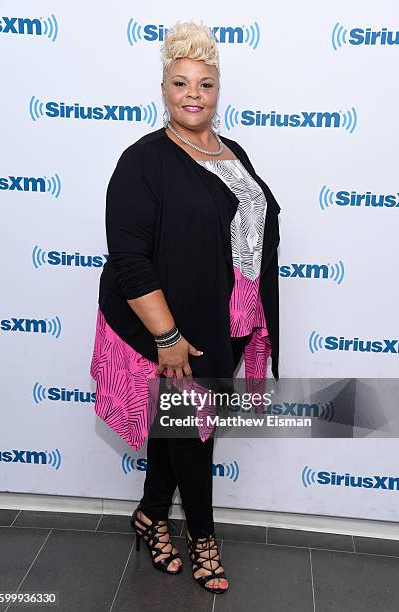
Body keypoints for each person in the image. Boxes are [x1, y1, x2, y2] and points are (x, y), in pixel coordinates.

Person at [90, 20, 280, 594]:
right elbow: (130, 259)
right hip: (167, 324)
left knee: (177, 428)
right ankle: (203, 535)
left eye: (205, 84)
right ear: (164, 90)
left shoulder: (232, 151)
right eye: (180, 83)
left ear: (218, 90)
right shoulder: (143, 160)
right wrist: (168, 338)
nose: (193, 95)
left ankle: (150, 514)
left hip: (223, 320)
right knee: (193, 432)